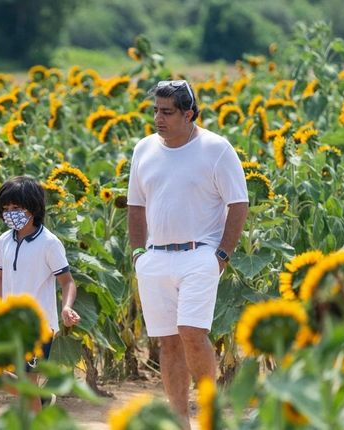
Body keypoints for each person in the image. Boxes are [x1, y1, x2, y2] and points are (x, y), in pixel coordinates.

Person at [126, 80, 249, 427]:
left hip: (200, 255)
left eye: (167, 112)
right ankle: (179, 420)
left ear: (189, 113)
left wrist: (221, 255)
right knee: (168, 342)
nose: (158, 119)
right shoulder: (144, 149)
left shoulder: (216, 149)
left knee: (192, 333)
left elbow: (238, 203)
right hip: (155, 258)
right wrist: (138, 253)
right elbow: (135, 206)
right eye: (155, 111)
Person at [0, 175, 81, 412]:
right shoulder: (3, 241)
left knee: (28, 383)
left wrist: (66, 307)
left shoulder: (49, 243)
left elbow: (67, 281)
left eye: (16, 208)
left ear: (33, 208)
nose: (10, 213)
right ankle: (41, 402)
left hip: (38, 326)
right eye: (5, 208)